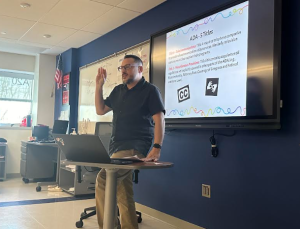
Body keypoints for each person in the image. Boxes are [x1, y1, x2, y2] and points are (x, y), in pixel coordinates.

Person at [94, 54, 165, 229]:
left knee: (104, 178)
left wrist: (156, 147)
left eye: (127, 67)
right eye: (121, 68)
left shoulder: (150, 90)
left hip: (135, 146)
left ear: (140, 69)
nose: (123, 71)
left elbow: (159, 119)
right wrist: (98, 87)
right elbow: (100, 109)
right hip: (116, 146)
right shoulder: (118, 91)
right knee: (123, 191)